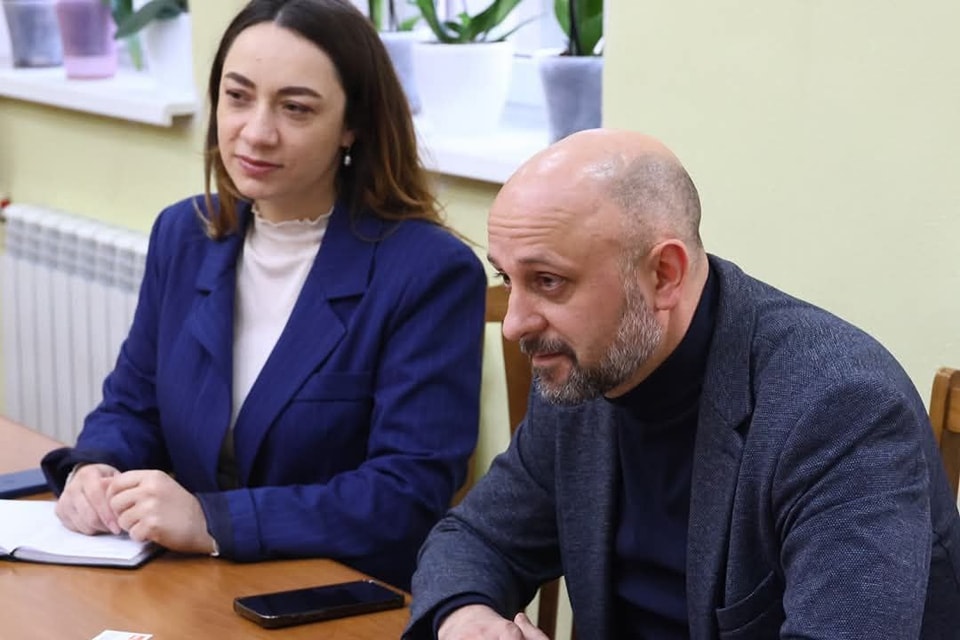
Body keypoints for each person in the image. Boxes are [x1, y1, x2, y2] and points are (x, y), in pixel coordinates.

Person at [404, 129, 960, 638]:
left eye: (548, 281)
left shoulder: (839, 407)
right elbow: (474, 540)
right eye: (507, 278)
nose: (515, 324)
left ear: (663, 275)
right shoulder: (585, 371)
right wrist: (468, 620)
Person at [40, 0, 486, 591]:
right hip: (191, 584)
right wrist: (95, 468)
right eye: (238, 97)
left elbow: (406, 494)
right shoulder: (184, 233)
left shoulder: (429, 272)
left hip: (336, 598)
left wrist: (213, 522)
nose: (255, 132)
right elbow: (133, 403)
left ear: (352, 124)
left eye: (296, 108)